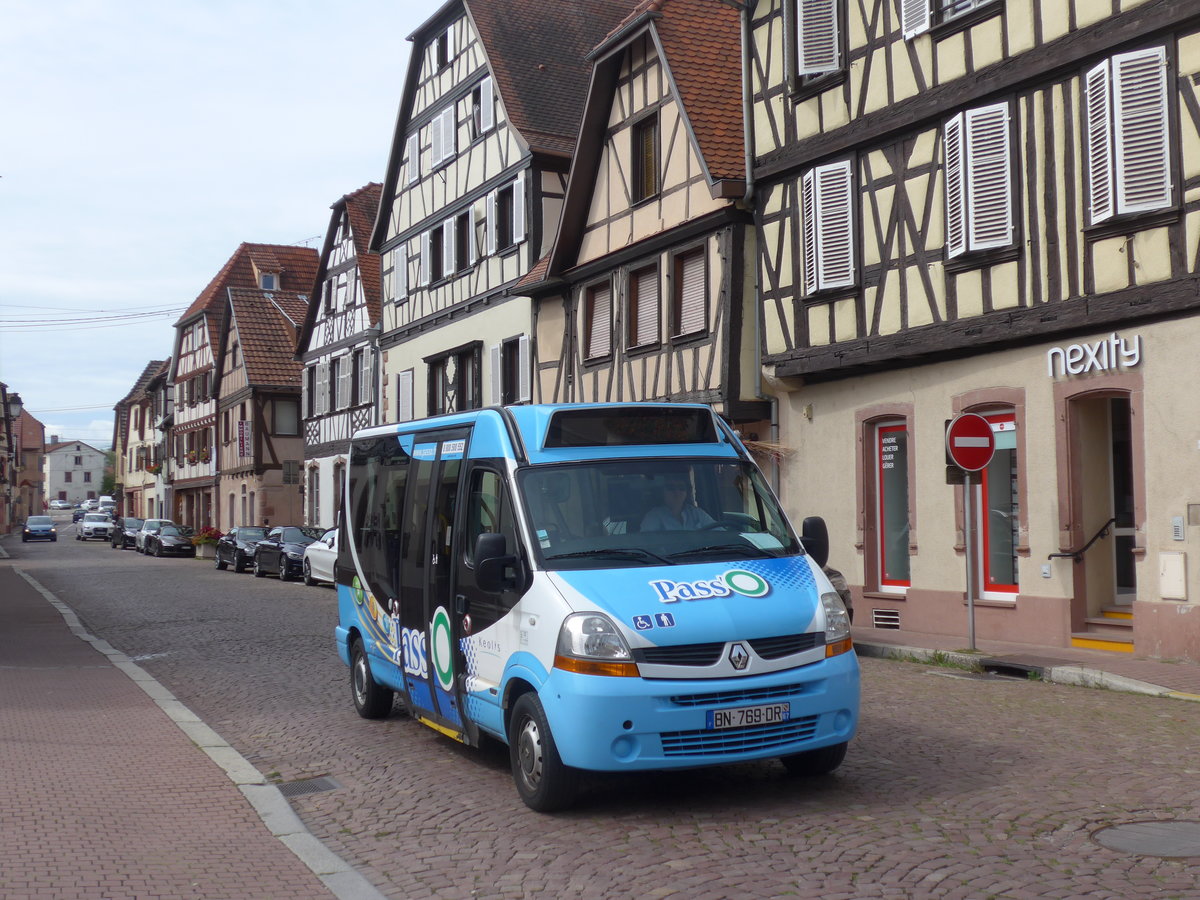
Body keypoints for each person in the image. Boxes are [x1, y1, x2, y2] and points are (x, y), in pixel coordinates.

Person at [640, 476, 715, 531]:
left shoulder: (697, 513)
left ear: (686, 493)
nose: (677, 492)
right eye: (671, 488)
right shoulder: (653, 517)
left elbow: (718, 533)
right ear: (662, 493)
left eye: (681, 488)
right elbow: (648, 543)